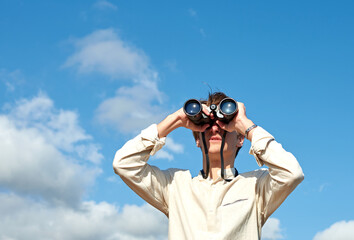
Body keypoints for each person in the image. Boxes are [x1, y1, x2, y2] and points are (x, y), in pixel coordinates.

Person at [113, 92, 304, 240]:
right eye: (207, 124)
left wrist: (246, 124)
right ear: (197, 139)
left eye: (223, 123)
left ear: (240, 139)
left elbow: (291, 173)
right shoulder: (175, 185)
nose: (214, 128)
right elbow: (124, 164)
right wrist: (174, 120)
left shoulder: (255, 186)